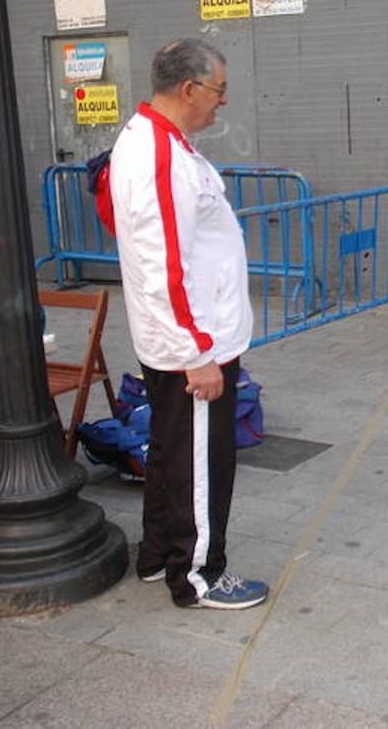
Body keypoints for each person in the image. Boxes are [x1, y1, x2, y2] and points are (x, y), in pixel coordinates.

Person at [107, 38, 268, 610]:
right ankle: (198, 575)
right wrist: (195, 351)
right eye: (219, 91)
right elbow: (161, 264)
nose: (221, 103)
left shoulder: (157, 142)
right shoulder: (158, 154)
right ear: (189, 88)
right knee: (201, 462)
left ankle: (158, 553)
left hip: (185, 337)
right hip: (192, 345)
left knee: (172, 452)